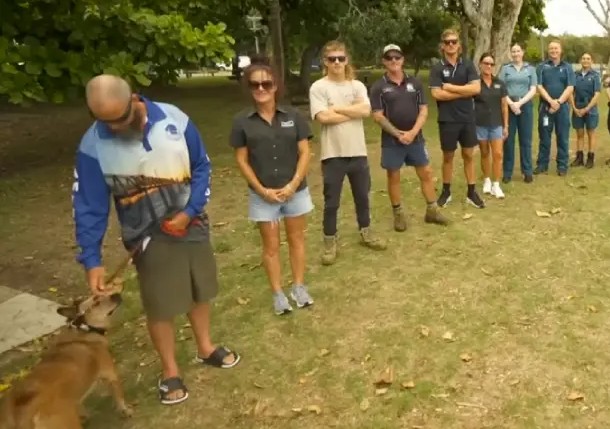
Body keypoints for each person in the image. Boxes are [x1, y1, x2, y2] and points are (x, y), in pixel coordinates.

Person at [72, 75, 240, 406]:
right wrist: (91, 258)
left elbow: (202, 166)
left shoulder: (174, 118)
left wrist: (190, 210)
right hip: (146, 237)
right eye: (105, 122)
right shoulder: (92, 145)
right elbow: (88, 205)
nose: (115, 128)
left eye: (120, 119)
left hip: (192, 224)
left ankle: (205, 347)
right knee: (160, 304)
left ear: (135, 98)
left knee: (199, 289)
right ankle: (170, 370)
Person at [230, 57, 313, 316]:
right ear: (250, 88)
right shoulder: (242, 121)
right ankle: (278, 293)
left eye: (267, 84)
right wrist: (261, 189)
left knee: (297, 239)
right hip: (262, 194)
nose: (261, 89)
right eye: (255, 85)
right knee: (271, 246)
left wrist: (293, 184)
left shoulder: (294, 116)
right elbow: (242, 160)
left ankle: (298, 287)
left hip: (295, 190)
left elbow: (305, 152)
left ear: (276, 86)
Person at [309, 41, 387, 266]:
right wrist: (352, 113)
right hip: (332, 155)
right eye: (332, 59)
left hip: (358, 152)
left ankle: (366, 232)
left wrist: (338, 109)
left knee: (362, 196)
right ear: (325, 61)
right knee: (331, 201)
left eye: (340, 59)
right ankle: (329, 241)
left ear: (346, 60)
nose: (336, 63)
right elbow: (323, 118)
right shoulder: (319, 88)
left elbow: (366, 109)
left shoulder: (356, 86)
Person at [368, 44, 450, 230]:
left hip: (416, 138)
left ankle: (432, 211)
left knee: (426, 173)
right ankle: (398, 214)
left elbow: (423, 110)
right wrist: (398, 134)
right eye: (389, 58)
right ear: (384, 61)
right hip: (391, 140)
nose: (394, 61)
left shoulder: (415, 83)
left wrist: (412, 133)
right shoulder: (379, 86)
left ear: (403, 60)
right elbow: (377, 115)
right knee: (394, 176)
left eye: (397, 57)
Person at [429, 29, 485, 208]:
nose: (451, 45)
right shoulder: (437, 68)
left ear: (459, 45)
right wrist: (463, 91)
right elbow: (437, 94)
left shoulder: (468, 65)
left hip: (467, 118)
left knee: (469, 154)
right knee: (448, 156)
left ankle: (471, 192)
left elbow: (476, 89)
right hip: (447, 120)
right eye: (447, 42)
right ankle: (446, 192)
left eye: (454, 41)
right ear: (442, 46)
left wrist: (451, 88)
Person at [535, 40, 576, 176]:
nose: (553, 51)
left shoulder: (568, 67)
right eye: (551, 48)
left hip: (562, 108)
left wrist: (558, 102)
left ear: (561, 50)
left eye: (556, 48)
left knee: (562, 136)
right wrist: (550, 102)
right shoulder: (542, 67)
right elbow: (539, 86)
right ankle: (542, 164)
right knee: (544, 137)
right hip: (545, 108)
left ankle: (562, 165)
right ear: (548, 51)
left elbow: (570, 87)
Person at [498, 44, 537, 183]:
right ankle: (507, 172)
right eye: (513, 51)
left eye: (518, 51)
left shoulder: (530, 69)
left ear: (522, 52)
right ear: (511, 54)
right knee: (508, 140)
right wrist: (511, 104)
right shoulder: (505, 69)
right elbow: (501, 89)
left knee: (525, 140)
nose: (515, 54)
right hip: (508, 106)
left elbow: (533, 89)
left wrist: (519, 104)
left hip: (525, 106)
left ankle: (527, 171)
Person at [474, 52, 509, 199]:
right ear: (480, 64)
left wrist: (506, 125)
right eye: (486, 63)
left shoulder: (500, 83)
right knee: (484, 153)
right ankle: (487, 180)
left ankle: (496, 184)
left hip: (496, 124)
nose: (488, 66)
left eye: (491, 64)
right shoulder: (475, 84)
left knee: (498, 154)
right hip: (480, 123)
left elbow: (504, 106)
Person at [569, 53, 602, 168]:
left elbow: (597, 94)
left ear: (592, 61)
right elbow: (570, 92)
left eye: (588, 58)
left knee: (590, 133)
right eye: (583, 58)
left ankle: (590, 158)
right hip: (577, 106)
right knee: (579, 133)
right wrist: (574, 107)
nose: (585, 60)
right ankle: (579, 158)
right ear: (580, 60)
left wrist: (587, 108)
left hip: (590, 107)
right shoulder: (575, 75)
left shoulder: (595, 75)